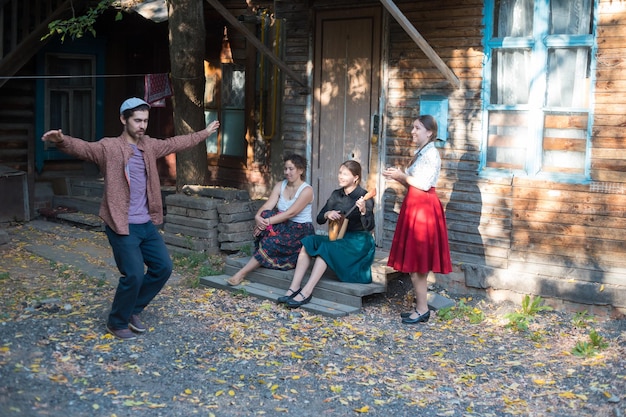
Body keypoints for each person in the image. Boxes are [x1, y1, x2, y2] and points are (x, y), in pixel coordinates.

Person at [41, 97, 220, 340]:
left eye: (145, 120)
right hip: (121, 224)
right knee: (134, 274)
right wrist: (62, 141)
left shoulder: (149, 146)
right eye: (137, 120)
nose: (142, 125)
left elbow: (176, 142)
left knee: (163, 268)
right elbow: (84, 148)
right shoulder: (109, 148)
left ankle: (134, 308)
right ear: (123, 119)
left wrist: (204, 132)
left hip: (145, 223)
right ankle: (116, 322)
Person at [382, 115, 452, 324]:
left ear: (429, 132)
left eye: (417, 128)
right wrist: (399, 177)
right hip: (415, 206)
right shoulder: (422, 153)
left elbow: (422, 185)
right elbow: (414, 185)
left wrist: (401, 176)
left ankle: (422, 309)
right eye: (413, 127)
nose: (413, 131)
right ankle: (420, 308)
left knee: (418, 263)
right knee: (415, 263)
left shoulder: (431, 155)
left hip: (423, 210)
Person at [278, 160, 375, 308]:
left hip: (359, 240)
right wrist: (328, 214)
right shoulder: (336, 195)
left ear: (355, 177)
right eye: (340, 173)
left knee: (326, 248)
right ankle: (294, 287)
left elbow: (369, 226)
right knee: (309, 241)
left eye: (345, 174)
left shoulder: (364, 196)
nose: (340, 177)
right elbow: (319, 217)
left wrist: (363, 211)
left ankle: (307, 291)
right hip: (338, 236)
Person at [226, 154, 315, 286]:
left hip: (299, 230)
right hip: (283, 224)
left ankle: (241, 273)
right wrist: (258, 217)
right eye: (285, 169)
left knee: (269, 241)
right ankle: (266, 253)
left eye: (291, 169)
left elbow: (291, 213)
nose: (287, 172)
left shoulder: (307, 190)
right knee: (266, 213)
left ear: (300, 170)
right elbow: (268, 205)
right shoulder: (280, 185)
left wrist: (266, 222)